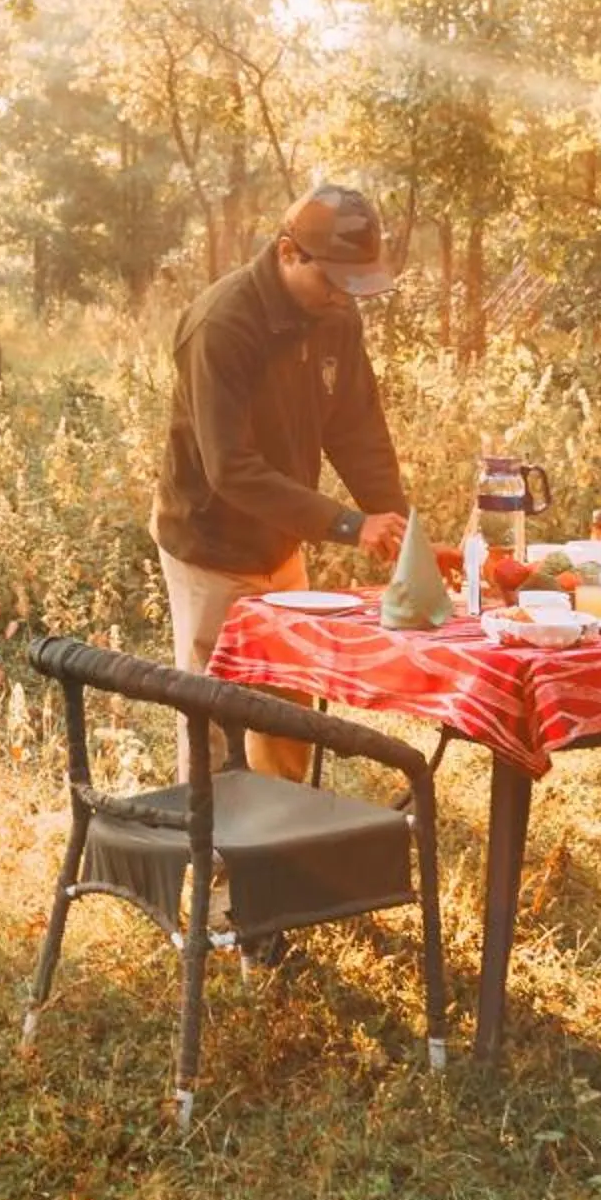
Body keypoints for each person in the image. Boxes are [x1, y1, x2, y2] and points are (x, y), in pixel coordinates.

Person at [153, 183, 413, 784]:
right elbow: (231, 469)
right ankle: (209, 858)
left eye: (353, 286)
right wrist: (348, 525)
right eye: (332, 282)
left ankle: (280, 840)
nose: (341, 299)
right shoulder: (222, 325)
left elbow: (357, 430)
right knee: (211, 704)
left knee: (287, 694)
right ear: (288, 252)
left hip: (282, 539)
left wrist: (398, 526)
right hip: (209, 540)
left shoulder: (335, 317)